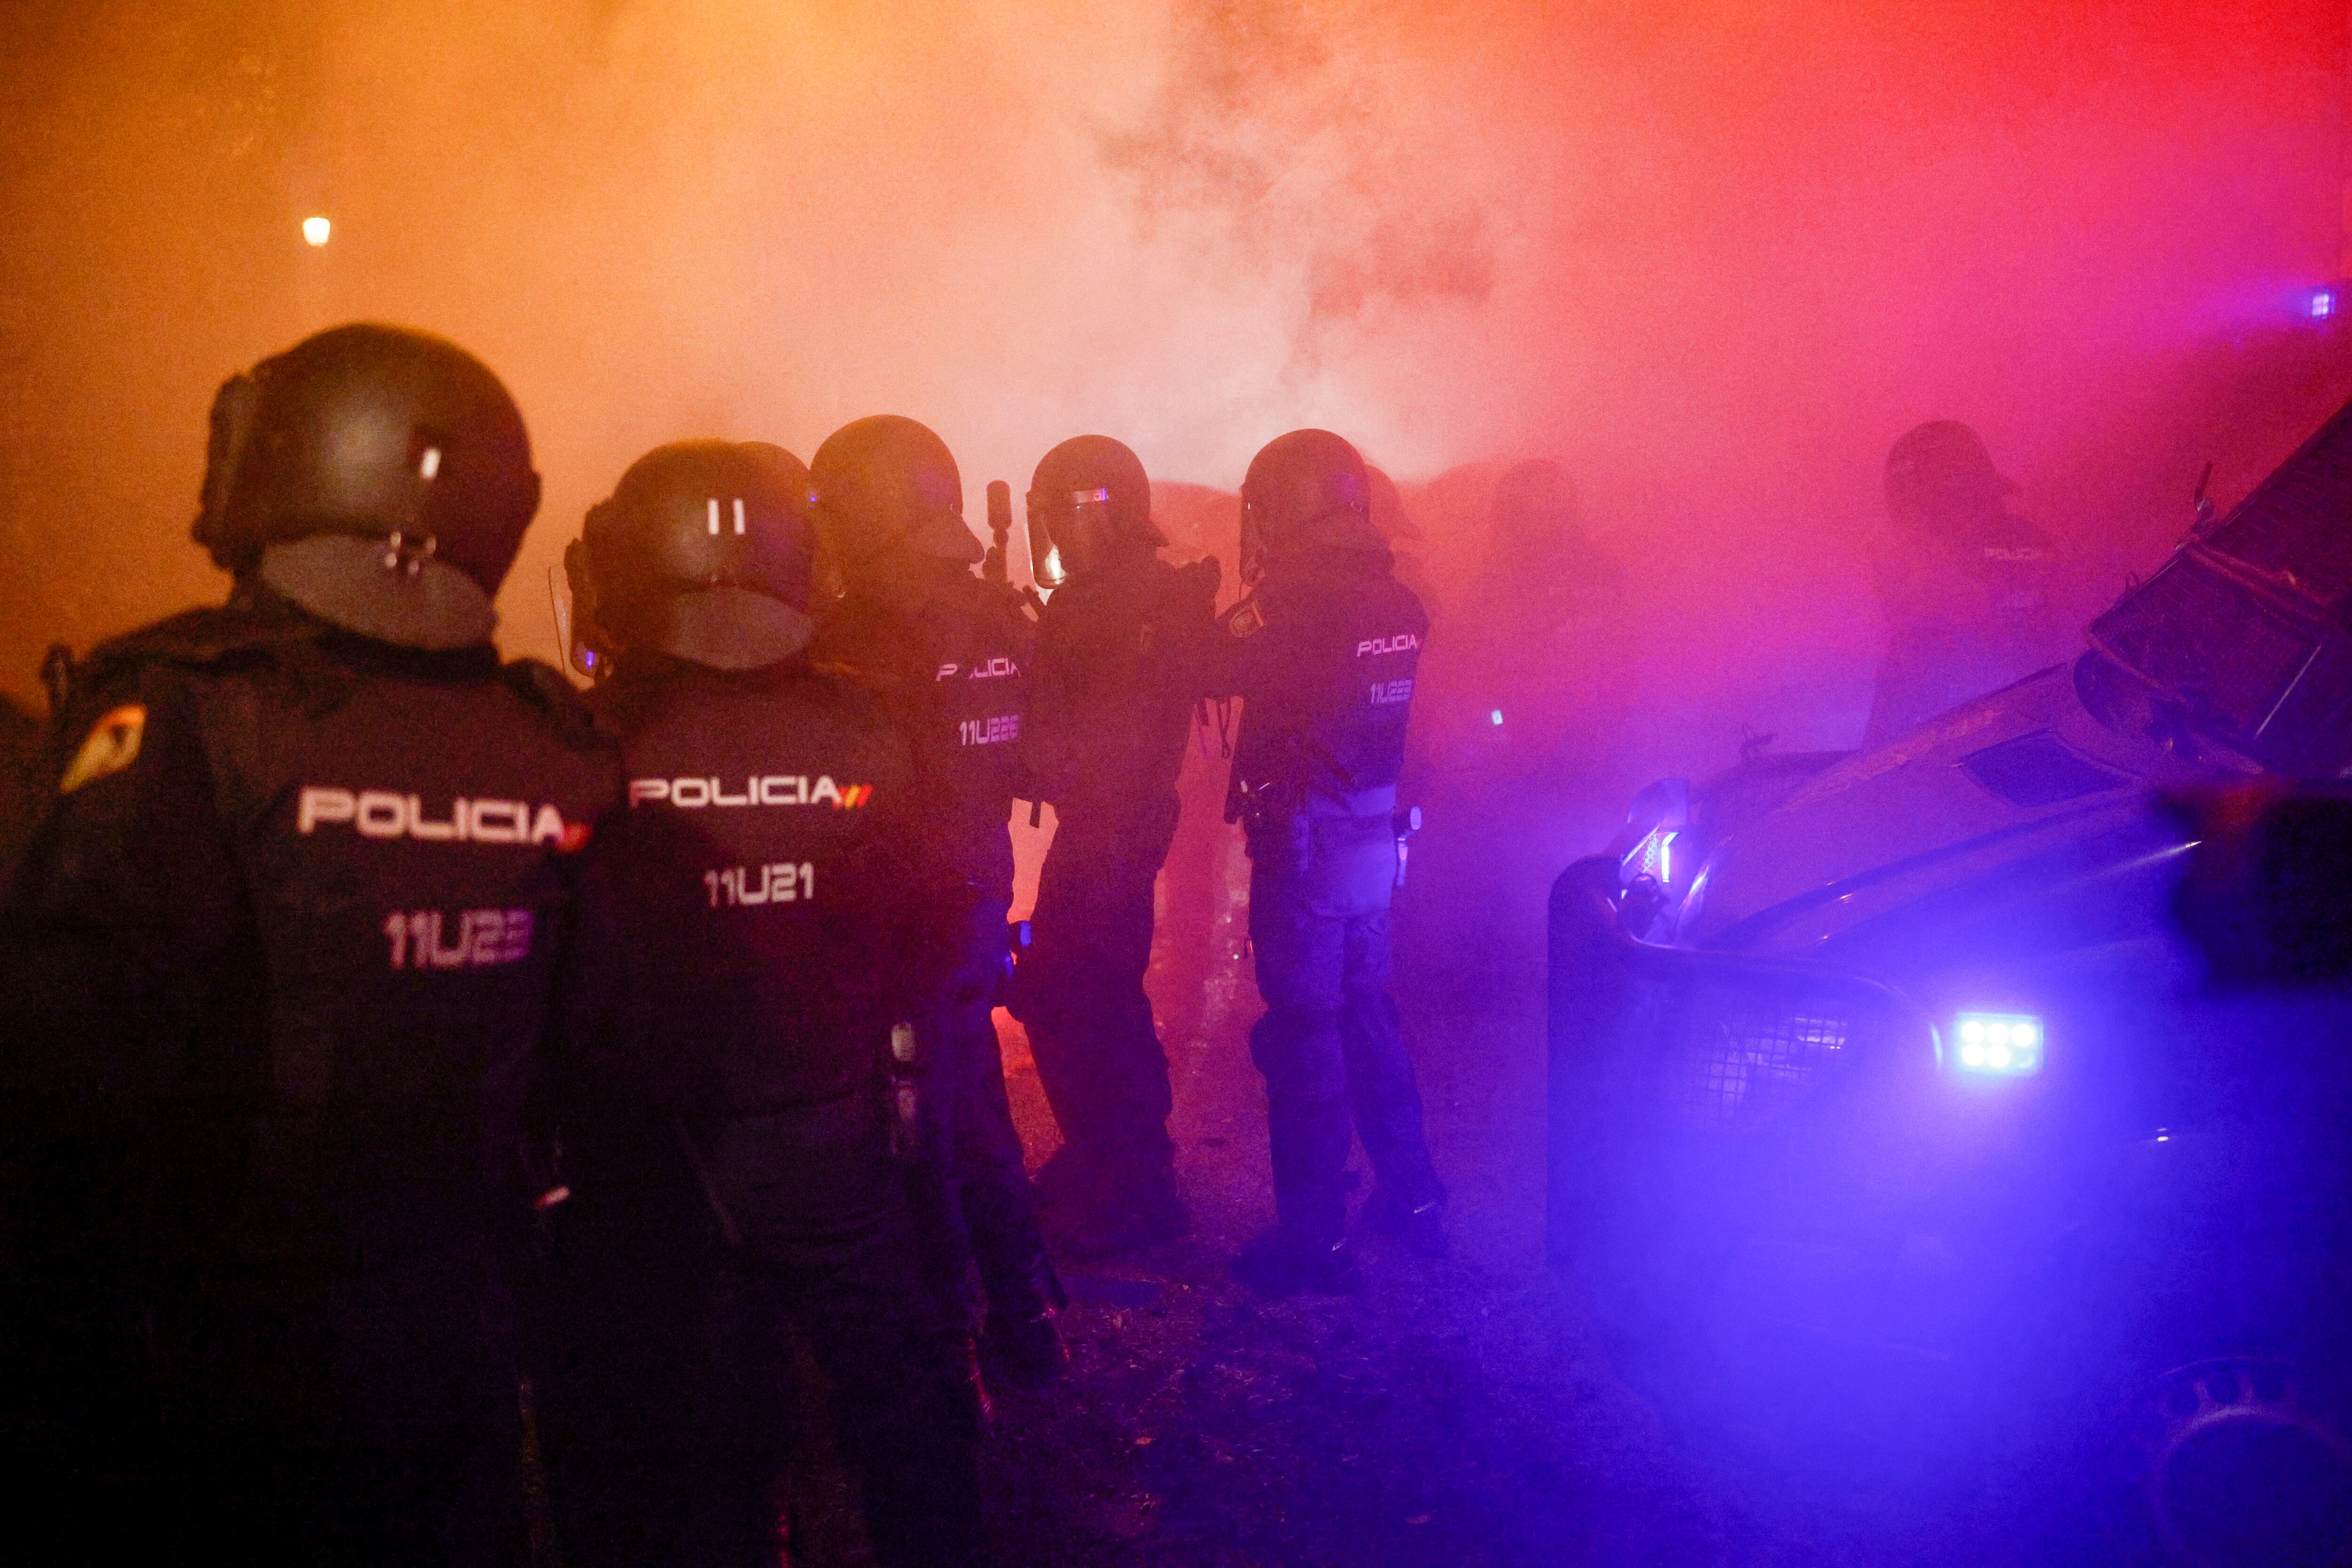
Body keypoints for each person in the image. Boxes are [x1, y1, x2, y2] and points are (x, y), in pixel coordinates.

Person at [0, 323, 621, 1564]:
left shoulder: (184, 702)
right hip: (461, 1314)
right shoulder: (550, 736)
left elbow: (59, 1094)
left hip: (220, 1349)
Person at [539, 439, 985, 1566]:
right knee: (904, 1417)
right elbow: (937, 921)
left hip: (649, 1165)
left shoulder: (583, 735)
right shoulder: (872, 722)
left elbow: (540, 952)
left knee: (680, 1444)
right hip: (835, 1133)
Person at [806, 414, 1066, 1383]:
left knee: (916, 1126)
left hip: (894, 914)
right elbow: (1038, 753)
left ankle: (948, 1334)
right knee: (973, 1101)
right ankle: (1027, 1309)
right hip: (976, 885)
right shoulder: (999, 610)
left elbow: (837, 780)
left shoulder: (861, 632)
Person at [1213, 428, 1447, 1295]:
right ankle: (1416, 1198)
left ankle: (1316, 1240)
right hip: (1374, 840)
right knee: (1369, 1012)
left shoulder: (1290, 603)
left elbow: (1203, 659)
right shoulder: (1401, 599)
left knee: (1305, 1031)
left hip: (1307, 845)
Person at [1010, 435, 1218, 1254]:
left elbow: (1054, 733)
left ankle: (1128, 1183)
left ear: (1087, 514)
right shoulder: (1158, 594)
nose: (1055, 541)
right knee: (1097, 992)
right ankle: (1119, 1161)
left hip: (1103, 827)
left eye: (1059, 520)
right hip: (1125, 822)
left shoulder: (1097, 605)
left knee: (1074, 996)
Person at [1864, 420, 2064, 746]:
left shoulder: (2027, 563)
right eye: (1909, 520)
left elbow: (2040, 682)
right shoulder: (1917, 593)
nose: (1913, 536)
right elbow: (1885, 732)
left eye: (1926, 518)